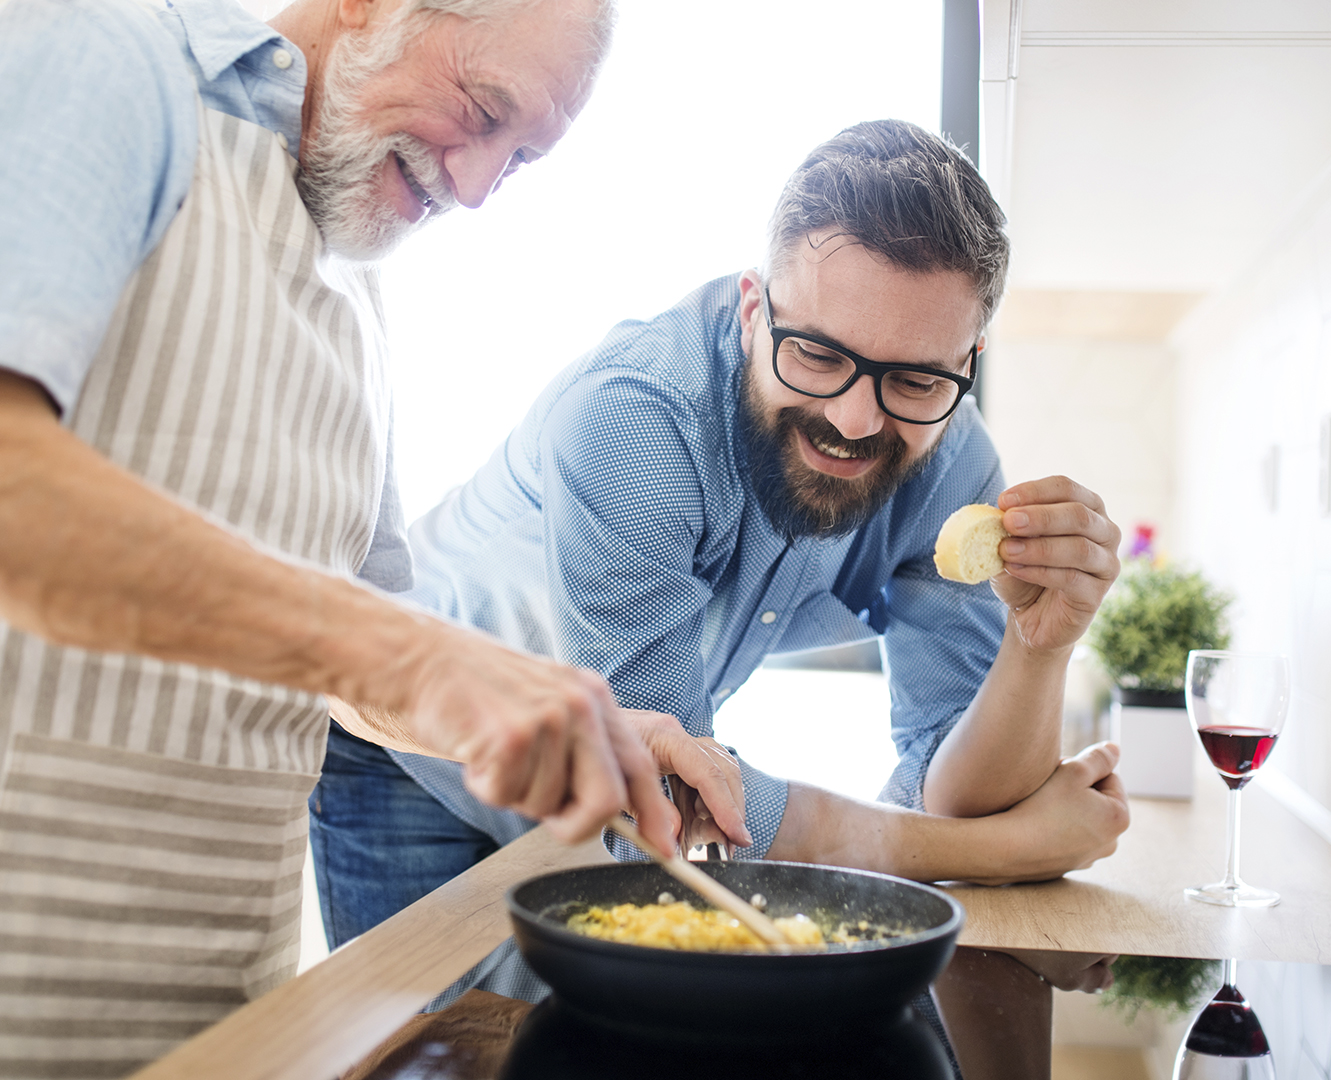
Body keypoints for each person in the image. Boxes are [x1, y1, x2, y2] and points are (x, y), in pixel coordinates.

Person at [0, 0, 709, 1076]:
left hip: (225, 994)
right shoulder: (96, 59)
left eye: (517, 163)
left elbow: (356, 664)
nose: (471, 186)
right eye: (483, 110)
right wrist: (411, 652)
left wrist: (565, 720)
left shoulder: (357, 288)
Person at [310, 120, 1133, 1067]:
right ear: (754, 308)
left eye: (912, 377)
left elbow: (955, 786)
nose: (855, 418)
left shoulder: (954, 460)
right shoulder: (634, 418)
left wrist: (1041, 646)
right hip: (413, 764)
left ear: (968, 360)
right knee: (437, 1061)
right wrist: (1015, 853)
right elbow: (682, 803)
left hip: (612, 786)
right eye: (817, 354)